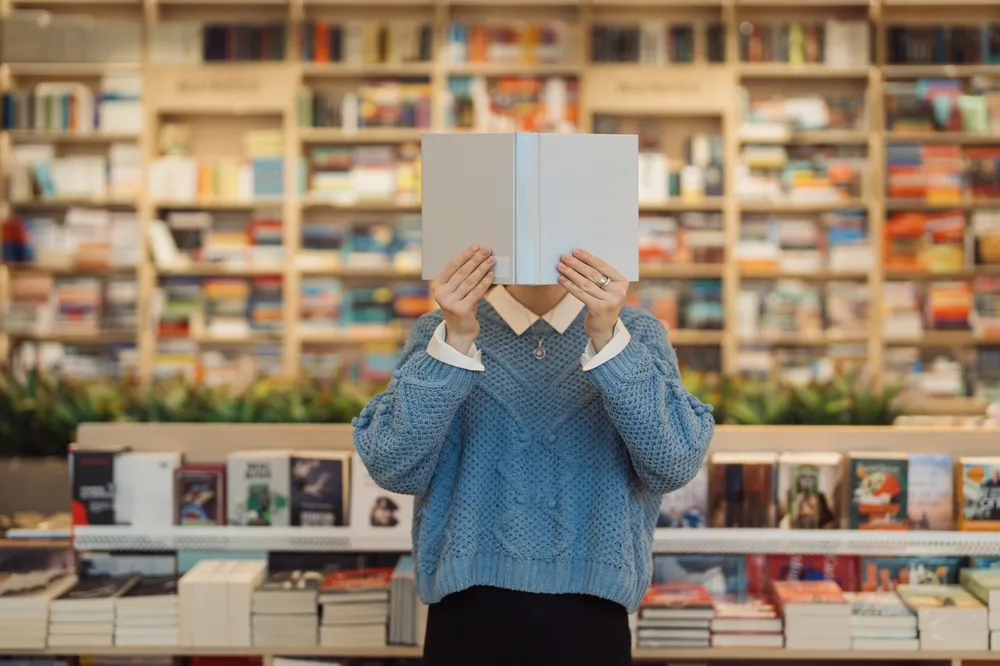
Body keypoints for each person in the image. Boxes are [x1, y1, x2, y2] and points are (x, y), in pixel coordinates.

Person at [353, 245, 715, 666]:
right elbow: (392, 466)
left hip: (594, 615)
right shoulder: (440, 328)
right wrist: (456, 339)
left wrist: (608, 338)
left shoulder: (635, 331)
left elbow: (673, 463)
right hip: (464, 615)